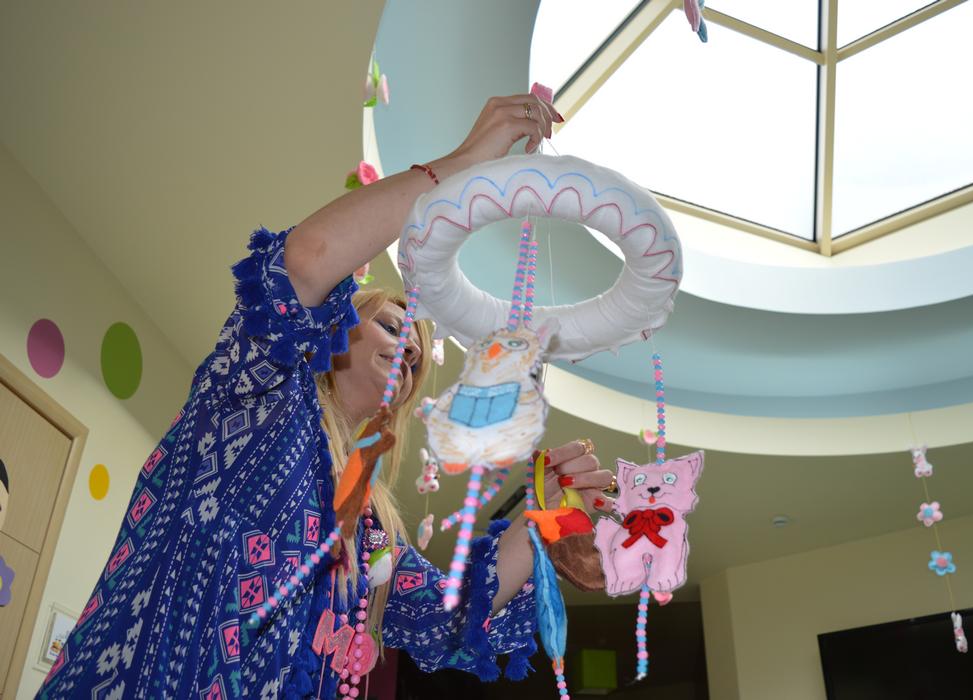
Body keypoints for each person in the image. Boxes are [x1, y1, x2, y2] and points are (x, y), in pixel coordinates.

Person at [36, 94, 616, 699]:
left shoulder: (370, 526)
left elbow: (448, 617)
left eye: (417, 360)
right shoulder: (261, 394)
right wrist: (464, 165)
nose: (408, 355)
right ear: (334, 331)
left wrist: (544, 513)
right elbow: (305, 264)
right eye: (391, 328)